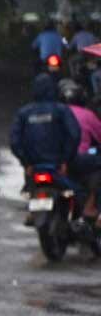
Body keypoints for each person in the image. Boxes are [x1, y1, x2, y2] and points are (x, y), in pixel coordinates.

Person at [11, 72, 82, 183]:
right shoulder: (61, 110)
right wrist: (65, 160)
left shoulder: (24, 113)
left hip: (33, 166)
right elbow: (74, 134)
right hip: (58, 166)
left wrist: (26, 163)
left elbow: (15, 141)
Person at [57, 80, 101, 219]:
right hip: (79, 159)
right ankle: (90, 205)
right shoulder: (88, 115)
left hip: (53, 159)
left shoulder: (54, 111)